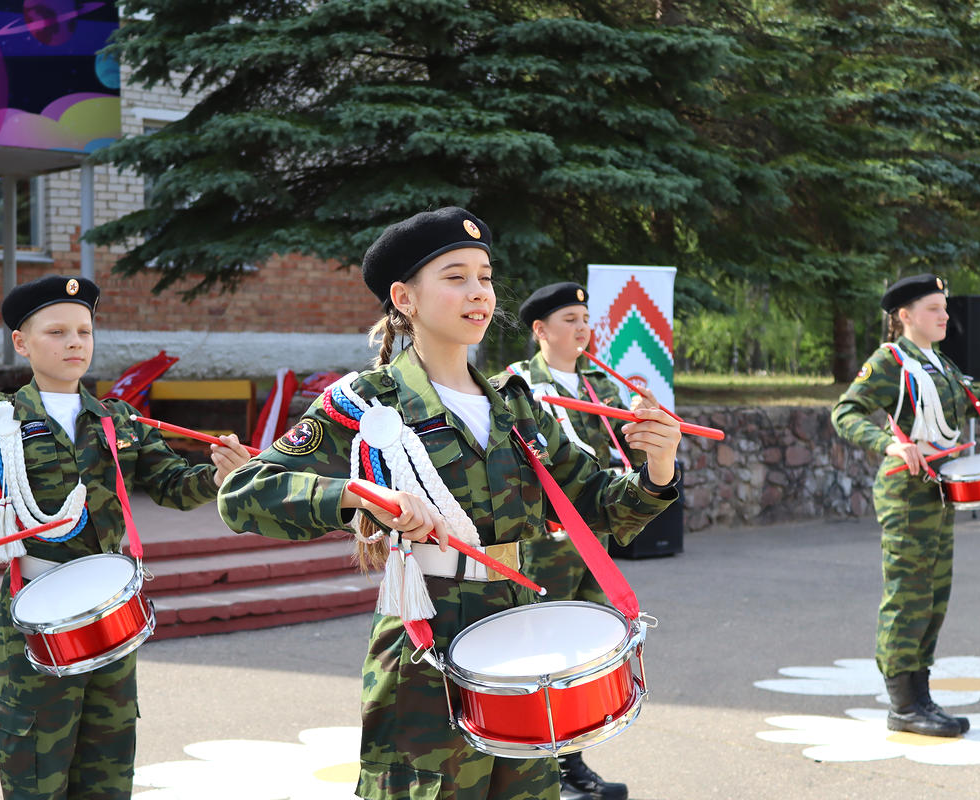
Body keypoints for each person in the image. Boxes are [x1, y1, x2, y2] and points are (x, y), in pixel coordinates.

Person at [217, 208, 683, 800]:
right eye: (455, 276)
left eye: (485, 277)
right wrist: (359, 495)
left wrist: (658, 465)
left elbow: (602, 505)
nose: (479, 293)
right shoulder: (367, 403)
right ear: (404, 298)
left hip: (521, 633)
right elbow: (246, 494)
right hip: (424, 645)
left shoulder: (518, 404)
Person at [0, 275, 251, 799]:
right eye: (57, 332)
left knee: (108, 771)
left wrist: (219, 474)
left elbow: (174, 486)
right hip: (33, 619)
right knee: (34, 767)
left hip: (109, 616)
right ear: (22, 342)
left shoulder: (119, 419)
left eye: (84, 331)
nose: (74, 343)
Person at [496, 282, 657, 800]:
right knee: (543, 656)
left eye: (585, 318)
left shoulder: (597, 387)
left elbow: (607, 462)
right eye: (569, 319)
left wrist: (643, 432)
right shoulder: (520, 386)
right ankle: (540, 765)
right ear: (540, 330)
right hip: (543, 544)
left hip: (594, 539)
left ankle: (571, 761)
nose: (583, 327)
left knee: (584, 656)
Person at [832, 273, 980, 738]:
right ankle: (904, 705)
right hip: (907, 491)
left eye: (944, 307)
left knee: (932, 597)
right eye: (934, 308)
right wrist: (887, 443)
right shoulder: (890, 362)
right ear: (905, 316)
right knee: (907, 597)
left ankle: (921, 696)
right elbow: (845, 412)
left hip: (938, 489)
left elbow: (974, 405)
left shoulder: (941, 363)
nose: (945, 315)